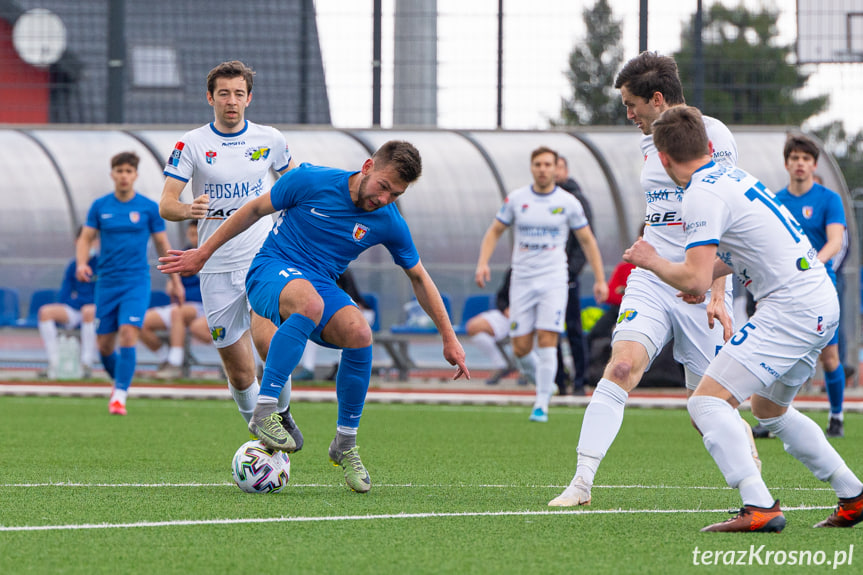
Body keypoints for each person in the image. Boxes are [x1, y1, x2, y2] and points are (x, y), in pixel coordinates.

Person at [159, 140, 469, 494]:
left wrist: (449, 337)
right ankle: (265, 412)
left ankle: (345, 443)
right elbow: (253, 210)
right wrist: (202, 253)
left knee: (360, 334)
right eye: (384, 186)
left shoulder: (388, 220)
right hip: (269, 269)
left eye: (395, 194)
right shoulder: (309, 180)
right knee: (308, 305)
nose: (384, 199)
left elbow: (418, 276)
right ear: (368, 167)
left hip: (319, 285)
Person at [623, 105, 863, 532]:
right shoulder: (735, 176)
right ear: (707, 145)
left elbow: (694, 279)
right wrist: (703, 274)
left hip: (790, 310)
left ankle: (759, 506)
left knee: (704, 402)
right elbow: (740, 254)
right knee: (769, 408)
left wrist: (651, 259)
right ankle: (853, 495)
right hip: (819, 301)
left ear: (662, 158)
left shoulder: (699, 193)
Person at [548, 52, 755, 508]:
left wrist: (717, 291)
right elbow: (663, 208)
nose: (628, 114)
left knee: (707, 410)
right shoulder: (649, 142)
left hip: (699, 282)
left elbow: (728, 217)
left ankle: (752, 486)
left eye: (631, 104)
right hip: (652, 279)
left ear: (656, 99)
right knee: (621, 367)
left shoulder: (713, 135)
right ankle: (581, 482)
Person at [159, 61, 297, 429]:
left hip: (263, 258)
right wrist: (189, 208)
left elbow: (296, 186)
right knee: (239, 373)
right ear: (210, 98)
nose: (231, 100)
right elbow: (166, 204)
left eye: (238, 93)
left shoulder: (270, 139)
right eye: (224, 93)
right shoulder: (190, 143)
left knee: (269, 342)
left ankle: (279, 418)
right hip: (215, 265)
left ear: (249, 98)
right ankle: (264, 431)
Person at [475, 146, 608, 423]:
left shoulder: (569, 202)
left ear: (556, 168)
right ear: (532, 167)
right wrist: (483, 262)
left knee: (548, 339)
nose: (544, 169)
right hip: (522, 281)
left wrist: (599, 278)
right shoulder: (517, 199)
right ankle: (547, 384)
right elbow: (495, 231)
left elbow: (587, 240)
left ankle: (541, 403)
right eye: (538, 164)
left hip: (553, 281)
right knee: (520, 348)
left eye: (549, 164)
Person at [76, 151, 183, 415]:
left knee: (128, 332)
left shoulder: (148, 208)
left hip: (135, 281)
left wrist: (175, 280)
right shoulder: (100, 206)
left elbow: (162, 244)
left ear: (135, 175)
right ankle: (120, 383)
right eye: (119, 171)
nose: (124, 176)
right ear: (112, 174)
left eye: (128, 171)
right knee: (104, 346)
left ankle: (119, 396)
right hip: (106, 283)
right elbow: (85, 239)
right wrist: (81, 263)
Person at [774, 135, 848, 438]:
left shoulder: (829, 199)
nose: (800, 164)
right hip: (784, 290)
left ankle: (836, 416)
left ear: (814, 165)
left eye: (806, 159)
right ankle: (772, 418)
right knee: (776, 354)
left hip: (820, 288)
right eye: (795, 158)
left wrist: (813, 263)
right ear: (787, 164)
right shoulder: (776, 200)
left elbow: (836, 241)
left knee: (829, 358)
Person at [140, 221, 210, 380]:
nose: (195, 238)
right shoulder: (182, 255)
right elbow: (172, 285)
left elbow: (207, 291)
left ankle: (175, 364)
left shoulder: (214, 254)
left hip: (201, 308)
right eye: (192, 234)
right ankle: (165, 358)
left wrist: (185, 291)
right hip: (179, 306)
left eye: (198, 234)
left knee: (177, 313)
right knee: (140, 321)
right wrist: (172, 284)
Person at [554, 156, 593, 396]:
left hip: (567, 278)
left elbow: (586, 241)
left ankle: (580, 380)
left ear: (565, 169)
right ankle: (559, 381)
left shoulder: (577, 200)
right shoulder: (541, 200)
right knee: (550, 331)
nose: (551, 171)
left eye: (556, 166)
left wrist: (570, 271)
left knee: (574, 329)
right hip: (547, 278)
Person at [38, 226, 98, 378]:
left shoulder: (102, 264)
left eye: (92, 240)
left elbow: (103, 295)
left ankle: (86, 364)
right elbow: (64, 295)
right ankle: (55, 363)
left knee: (88, 311)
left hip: (95, 313)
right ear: (77, 242)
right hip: (76, 309)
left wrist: (84, 302)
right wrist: (79, 302)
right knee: (45, 312)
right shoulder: (73, 265)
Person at [466, 268, 518, 385]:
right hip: (507, 316)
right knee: (473, 326)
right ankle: (501, 364)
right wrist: (505, 309)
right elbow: (501, 297)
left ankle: (526, 370)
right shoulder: (513, 270)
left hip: (528, 318)